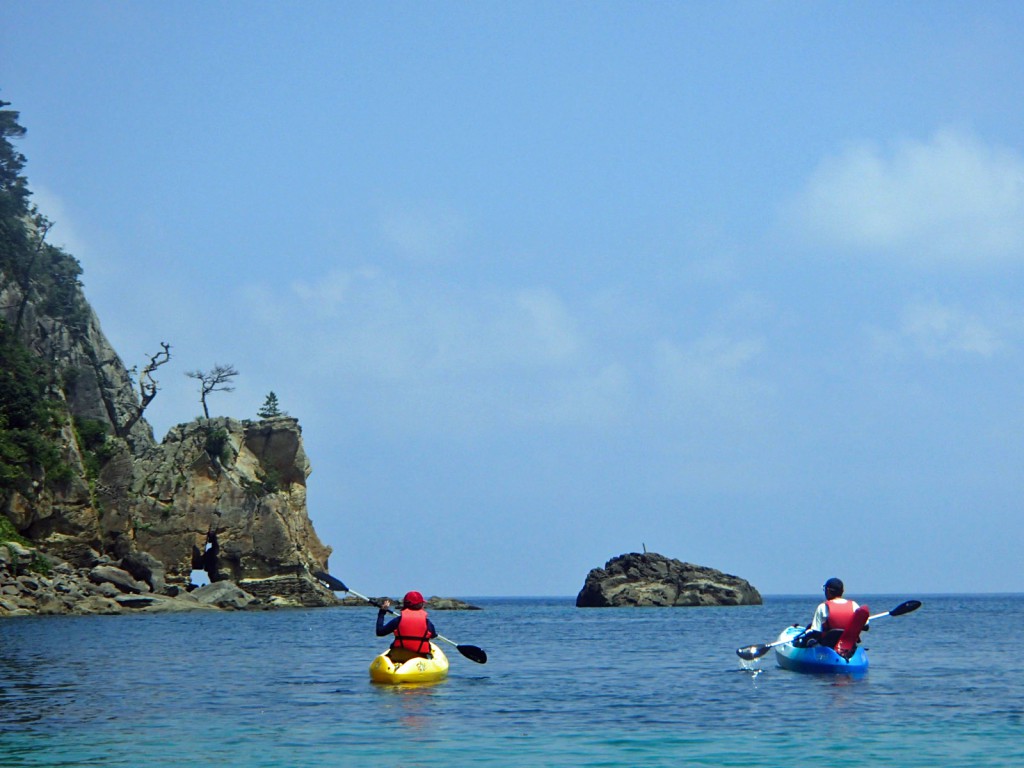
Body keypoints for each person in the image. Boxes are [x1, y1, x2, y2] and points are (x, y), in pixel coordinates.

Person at [804, 577, 868, 654]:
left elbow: (816, 632)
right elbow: (866, 626)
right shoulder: (854, 605)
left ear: (827, 591)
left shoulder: (823, 607)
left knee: (809, 635)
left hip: (828, 645)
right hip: (849, 646)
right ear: (842, 591)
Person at [376, 591, 437, 664]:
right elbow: (433, 635)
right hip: (418, 658)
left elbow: (379, 632)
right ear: (420, 605)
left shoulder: (398, 620)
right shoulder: (427, 623)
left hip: (397, 657)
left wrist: (381, 613)